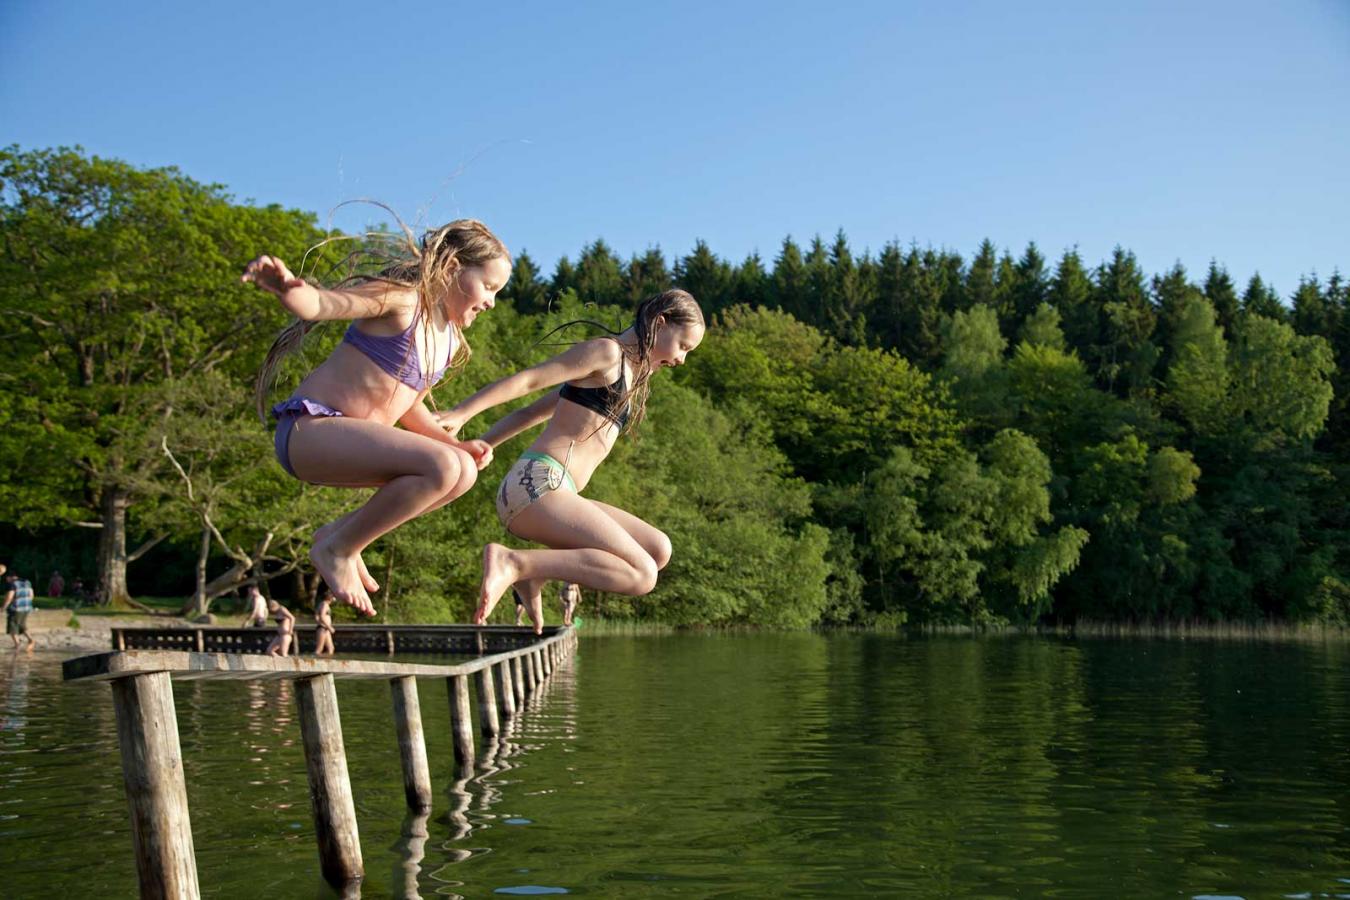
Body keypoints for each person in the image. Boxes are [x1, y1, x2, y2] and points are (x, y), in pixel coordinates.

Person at [245, 219, 510, 617]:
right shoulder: (403, 300)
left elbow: (406, 407)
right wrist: (290, 290)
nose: (491, 302)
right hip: (309, 431)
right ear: (453, 266)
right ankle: (338, 548)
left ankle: (338, 535)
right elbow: (327, 304)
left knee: (462, 472)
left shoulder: (449, 342)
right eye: (488, 287)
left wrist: (454, 444)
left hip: (347, 447)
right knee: (442, 467)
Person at [437, 290, 704, 633]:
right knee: (641, 574)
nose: (682, 359)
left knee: (657, 550)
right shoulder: (606, 353)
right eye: (683, 346)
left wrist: (486, 443)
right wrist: (463, 413)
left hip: (554, 491)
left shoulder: (628, 376)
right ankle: (514, 562)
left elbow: (533, 413)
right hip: (538, 485)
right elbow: (529, 381)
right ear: (660, 322)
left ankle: (533, 576)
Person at [3, 571, 37, 654]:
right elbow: (31, 595)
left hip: (16, 608)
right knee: (21, 624)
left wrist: (3, 607)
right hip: (27, 607)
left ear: (10, 577)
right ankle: (25, 642)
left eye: (6, 578)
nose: (6, 580)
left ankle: (20, 644)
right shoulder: (27, 582)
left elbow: (9, 597)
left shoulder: (13, 584)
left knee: (12, 626)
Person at [314, 592, 336, 657]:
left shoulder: (322, 604)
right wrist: (329, 627)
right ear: (329, 598)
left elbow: (316, 616)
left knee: (331, 649)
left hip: (325, 629)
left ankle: (326, 663)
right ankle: (311, 662)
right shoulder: (324, 604)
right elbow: (322, 616)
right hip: (323, 628)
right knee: (319, 649)